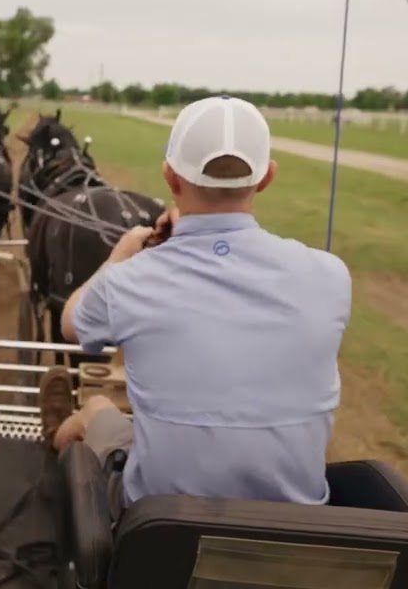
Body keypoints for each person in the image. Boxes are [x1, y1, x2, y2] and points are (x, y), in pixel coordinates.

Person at [36, 95, 351, 509]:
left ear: (170, 177)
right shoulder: (331, 275)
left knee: (96, 408)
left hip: (160, 532)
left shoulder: (133, 279)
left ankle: (56, 446)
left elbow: (71, 324)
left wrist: (121, 257)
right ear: (266, 177)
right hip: (291, 540)